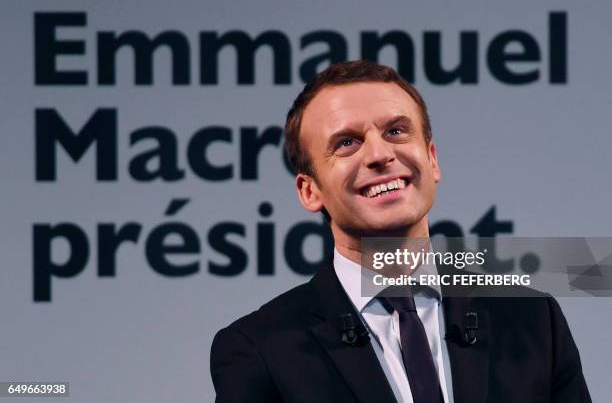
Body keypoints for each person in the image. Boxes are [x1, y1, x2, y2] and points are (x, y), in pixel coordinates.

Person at [210, 60, 591, 403]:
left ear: (432, 160)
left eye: (395, 131)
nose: (378, 155)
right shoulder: (260, 349)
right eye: (346, 143)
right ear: (310, 191)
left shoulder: (532, 320)